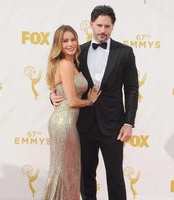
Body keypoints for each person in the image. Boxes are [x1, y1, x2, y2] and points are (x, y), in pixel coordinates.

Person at [51, 5, 139, 200]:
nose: (102, 30)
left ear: (113, 26)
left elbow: (132, 90)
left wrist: (128, 122)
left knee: (115, 176)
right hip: (83, 124)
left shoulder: (124, 52)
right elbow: (61, 76)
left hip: (113, 125)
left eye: (107, 26)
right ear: (91, 24)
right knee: (85, 176)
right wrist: (53, 95)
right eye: (99, 25)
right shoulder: (77, 52)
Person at [42, 25, 101, 200]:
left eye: (73, 39)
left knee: (67, 170)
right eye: (65, 40)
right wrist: (90, 101)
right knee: (65, 170)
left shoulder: (72, 63)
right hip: (64, 124)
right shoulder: (66, 65)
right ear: (58, 44)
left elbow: (59, 92)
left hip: (65, 121)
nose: (70, 44)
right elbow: (73, 101)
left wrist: (53, 95)